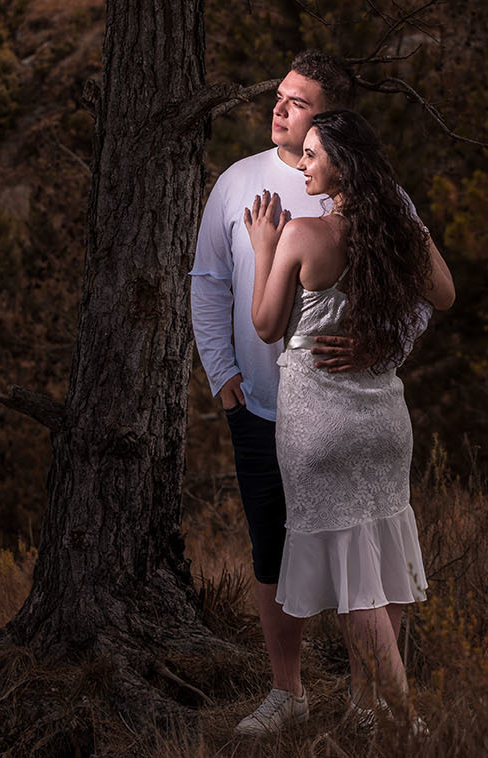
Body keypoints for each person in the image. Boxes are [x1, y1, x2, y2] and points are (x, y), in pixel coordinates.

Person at [244, 109, 455, 731]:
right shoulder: (398, 233)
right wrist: (383, 341)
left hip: (319, 423)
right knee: (383, 565)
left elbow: (266, 325)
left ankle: (407, 722)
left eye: (312, 154)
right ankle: (369, 709)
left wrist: (263, 248)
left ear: (344, 163)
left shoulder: (304, 234)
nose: (303, 164)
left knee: (354, 587)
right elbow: (443, 295)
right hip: (383, 416)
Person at [189, 51, 357, 736]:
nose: (279, 108)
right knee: (271, 551)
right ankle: (288, 692)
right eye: (280, 95)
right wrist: (221, 375)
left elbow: (416, 293)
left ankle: (372, 696)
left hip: (341, 409)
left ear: (328, 120)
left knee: (353, 553)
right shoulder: (237, 182)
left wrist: (380, 346)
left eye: (298, 102)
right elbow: (208, 282)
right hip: (258, 408)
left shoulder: (364, 190)